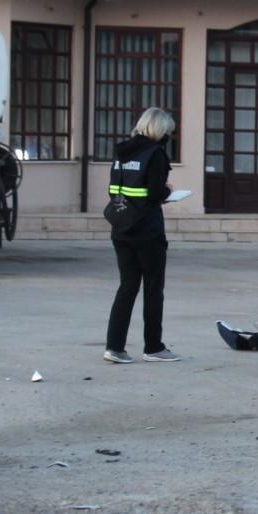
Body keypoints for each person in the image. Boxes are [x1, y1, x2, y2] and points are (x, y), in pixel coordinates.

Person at [104, 107, 181, 364]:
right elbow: (154, 193)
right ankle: (153, 347)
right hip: (147, 231)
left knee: (127, 287)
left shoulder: (122, 153)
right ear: (160, 130)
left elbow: (115, 190)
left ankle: (114, 347)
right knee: (153, 289)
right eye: (168, 132)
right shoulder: (155, 155)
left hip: (121, 227)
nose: (169, 136)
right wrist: (167, 190)